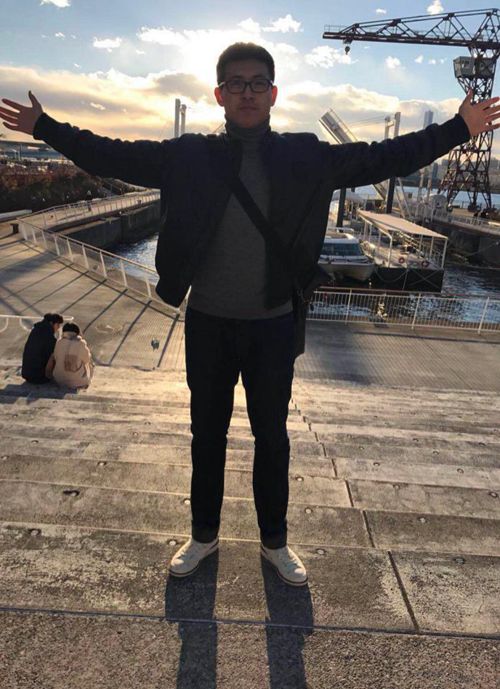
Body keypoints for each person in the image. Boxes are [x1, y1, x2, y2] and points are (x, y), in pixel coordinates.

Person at [2, 42, 498, 587]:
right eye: (235, 83)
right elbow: (113, 154)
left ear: (273, 93)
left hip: (274, 324)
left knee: (273, 439)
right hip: (208, 322)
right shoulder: (190, 156)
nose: (247, 92)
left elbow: (385, 157)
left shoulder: (306, 156)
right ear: (219, 94)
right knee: (206, 436)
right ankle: (203, 535)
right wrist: (45, 127)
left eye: (257, 82)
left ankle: (275, 543)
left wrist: (458, 128)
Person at [46, 322, 94, 389]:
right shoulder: (81, 343)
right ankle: (85, 382)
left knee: (54, 357)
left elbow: (56, 358)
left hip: (59, 381)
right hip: (78, 382)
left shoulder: (59, 343)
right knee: (90, 363)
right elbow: (87, 360)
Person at [21, 312, 63, 384]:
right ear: (51, 323)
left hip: (26, 373)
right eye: (58, 324)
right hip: (39, 376)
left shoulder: (35, 330)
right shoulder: (49, 337)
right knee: (55, 355)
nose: (59, 327)